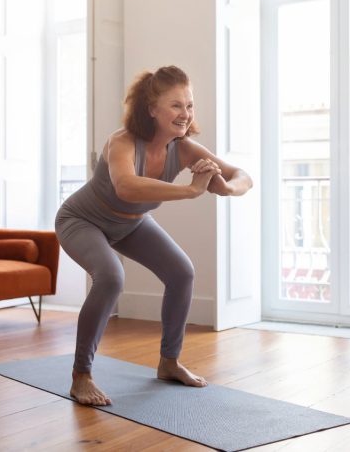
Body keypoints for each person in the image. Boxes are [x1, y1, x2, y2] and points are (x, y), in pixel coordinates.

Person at [55, 65, 253, 406]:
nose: (185, 114)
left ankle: (169, 362)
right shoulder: (122, 142)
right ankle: (81, 375)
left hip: (130, 222)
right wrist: (192, 191)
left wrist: (224, 186)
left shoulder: (185, 148)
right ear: (151, 110)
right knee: (111, 277)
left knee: (182, 272)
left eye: (189, 105)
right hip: (82, 219)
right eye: (176, 105)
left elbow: (242, 175)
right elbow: (126, 186)